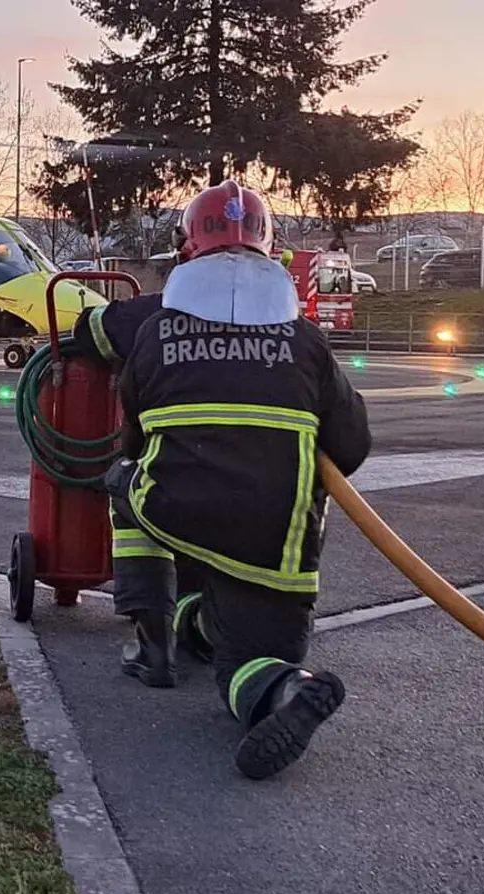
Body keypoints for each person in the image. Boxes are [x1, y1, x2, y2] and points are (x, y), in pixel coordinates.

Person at [93, 180, 372, 780]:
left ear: (186, 248)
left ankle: (155, 640)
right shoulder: (307, 340)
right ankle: (289, 689)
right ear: (271, 250)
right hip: (273, 543)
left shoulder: (154, 332)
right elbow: (351, 449)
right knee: (253, 662)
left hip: (175, 510)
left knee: (126, 480)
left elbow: (136, 429)